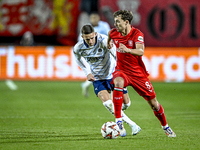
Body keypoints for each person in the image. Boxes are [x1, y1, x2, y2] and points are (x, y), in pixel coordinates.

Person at [107, 10, 176, 138]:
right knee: (118, 82)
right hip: (121, 70)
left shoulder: (137, 34)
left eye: (118, 21)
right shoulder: (113, 33)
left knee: (154, 104)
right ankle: (119, 122)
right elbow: (110, 35)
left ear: (126, 22)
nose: (115, 24)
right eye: (115, 21)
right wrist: (108, 43)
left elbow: (140, 51)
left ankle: (165, 127)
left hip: (138, 74)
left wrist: (128, 50)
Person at [73, 24, 141, 136]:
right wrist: (87, 73)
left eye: (91, 38)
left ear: (95, 34)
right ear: (82, 37)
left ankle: (118, 118)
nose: (90, 41)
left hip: (113, 75)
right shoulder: (78, 47)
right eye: (87, 39)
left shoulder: (104, 40)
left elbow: (116, 55)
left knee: (126, 104)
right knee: (108, 104)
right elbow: (78, 59)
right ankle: (132, 125)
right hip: (98, 78)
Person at [79, 12, 111, 97]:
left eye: (95, 18)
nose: (94, 20)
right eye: (92, 18)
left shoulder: (104, 25)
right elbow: (80, 40)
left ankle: (86, 85)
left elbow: (109, 36)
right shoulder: (87, 28)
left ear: (99, 18)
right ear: (90, 19)